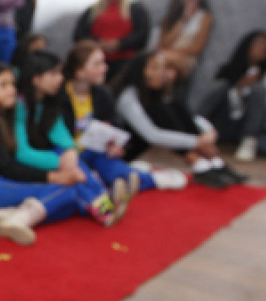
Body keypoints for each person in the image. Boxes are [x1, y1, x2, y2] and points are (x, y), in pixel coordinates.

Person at [0, 62, 91, 244]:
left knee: (68, 206)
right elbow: (8, 167)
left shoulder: (4, 114)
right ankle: (17, 220)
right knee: (66, 190)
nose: (12, 90)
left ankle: (7, 216)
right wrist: (53, 176)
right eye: (3, 85)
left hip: (5, 180)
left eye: (13, 84)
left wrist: (62, 163)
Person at [15, 50, 132, 226]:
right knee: (70, 174)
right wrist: (59, 162)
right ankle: (102, 205)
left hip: (47, 157)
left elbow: (60, 132)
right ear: (36, 78)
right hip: (23, 164)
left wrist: (70, 151)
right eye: (53, 74)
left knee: (68, 154)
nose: (60, 78)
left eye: (60, 73)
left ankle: (104, 200)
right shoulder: (19, 105)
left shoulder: (48, 100)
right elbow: (22, 153)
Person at [60, 40, 187, 191]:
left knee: (118, 173)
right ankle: (107, 189)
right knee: (84, 179)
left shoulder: (103, 94)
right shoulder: (60, 96)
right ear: (79, 71)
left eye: (104, 63)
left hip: (95, 151)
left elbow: (113, 123)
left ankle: (149, 178)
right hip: (69, 153)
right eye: (97, 64)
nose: (105, 68)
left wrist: (114, 143)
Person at [113, 50, 247, 188]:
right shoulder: (128, 96)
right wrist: (197, 142)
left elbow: (187, 116)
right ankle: (199, 164)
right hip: (118, 151)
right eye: (154, 68)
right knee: (163, 114)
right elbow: (152, 135)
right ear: (140, 70)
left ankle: (212, 162)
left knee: (173, 108)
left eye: (163, 68)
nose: (161, 73)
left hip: (137, 144)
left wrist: (208, 131)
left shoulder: (152, 95)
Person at [198, 30, 266, 162]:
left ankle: (249, 142)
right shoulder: (229, 71)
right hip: (223, 122)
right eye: (259, 43)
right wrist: (238, 89)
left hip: (247, 126)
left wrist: (249, 90)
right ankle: (195, 126)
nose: (264, 47)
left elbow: (264, 105)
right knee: (222, 86)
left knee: (258, 90)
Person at [72, 0, 152, 81]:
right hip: (97, 65)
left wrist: (120, 44)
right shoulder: (92, 10)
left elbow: (142, 34)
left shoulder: (135, 9)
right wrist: (98, 43)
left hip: (127, 65)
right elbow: (79, 35)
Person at [158, 0, 213, 82]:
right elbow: (164, 43)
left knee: (160, 59)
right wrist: (184, 19)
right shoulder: (171, 16)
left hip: (186, 58)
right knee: (169, 72)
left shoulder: (205, 17)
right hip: (166, 55)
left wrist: (169, 52)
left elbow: (197, 48)